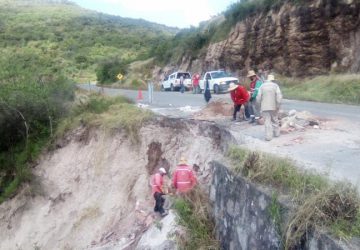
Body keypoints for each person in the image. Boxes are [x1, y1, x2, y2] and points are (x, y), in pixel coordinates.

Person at [256, 74, 282, 141]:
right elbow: (279, 97)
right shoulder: (276, 86)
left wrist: (259, 106)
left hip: (264, 107)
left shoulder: (262, 86)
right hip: (274, 107)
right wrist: (278, 106)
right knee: (275, 119)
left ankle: (268, 137)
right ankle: (277, 133)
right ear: (273, 80)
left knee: (267, 122)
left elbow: (258, 97)